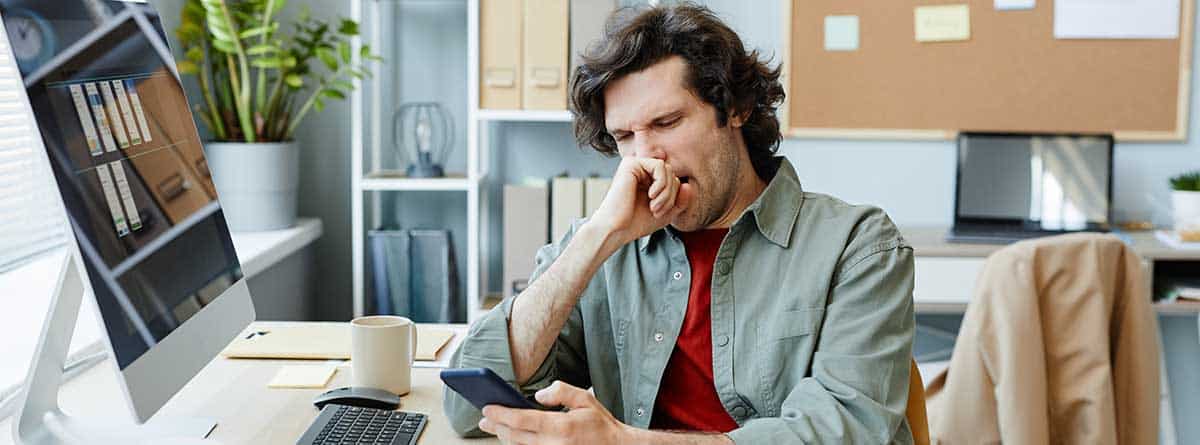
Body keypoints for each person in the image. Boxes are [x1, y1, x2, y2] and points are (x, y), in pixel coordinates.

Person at [444, 3, 915, 444]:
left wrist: (624, 441)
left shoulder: (858, 246)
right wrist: (595, 238)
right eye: (624, 136)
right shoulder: (605, 245)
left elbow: (845, 431)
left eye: (667, 122)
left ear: (735, 109)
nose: (645, 156)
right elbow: (467, 410)